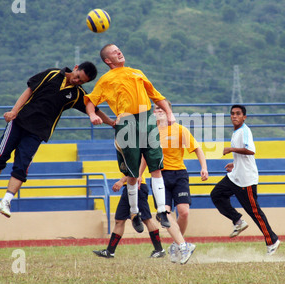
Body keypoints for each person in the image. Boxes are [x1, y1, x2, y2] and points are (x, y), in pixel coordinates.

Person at [0, 62, 114, 217]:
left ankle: (6, 201)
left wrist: (112, 123)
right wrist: (14, 111)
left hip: (38, 132)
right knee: (0, 156)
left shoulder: (77, 94)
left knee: (22, 166)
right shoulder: (52, 74)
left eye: (81, 82)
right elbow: (28, 91)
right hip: (19, 122)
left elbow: (94, 109)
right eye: (77, 77)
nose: (77, 81)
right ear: (75, 68)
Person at [84, 44, 174, 233]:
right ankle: (134, 213)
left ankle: (161, 211)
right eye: (114, 52)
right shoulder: (106, 79)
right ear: (108, 60)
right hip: (126, 124)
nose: (119, 52)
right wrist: (93, 115)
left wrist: (169, 113)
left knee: (156, 167)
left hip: (147, 119)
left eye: (119, 49)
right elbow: (91, 101)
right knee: (132, 175)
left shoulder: (137, 73)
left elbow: (156, 96)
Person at [210, 104, 280, 255]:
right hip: (235, 176)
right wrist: (235, 163)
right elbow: (243, 156)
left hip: (246, 180)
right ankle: (238, 221)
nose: (234, 116)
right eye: (232, 114)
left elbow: (250, 150)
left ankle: (272, 240)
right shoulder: (236, 132)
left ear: (244, 117)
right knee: (216, 195)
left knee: (254, 212)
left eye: (238, 114)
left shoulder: (245, 131)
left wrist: (230, 149)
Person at [153, 100, 208, 263]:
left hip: (179, 174)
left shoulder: (180, 130)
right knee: (166, 213)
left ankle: (177, 244)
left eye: (163, 108)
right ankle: (183, 245)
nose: (160, 110)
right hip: (160, 177)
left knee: (184, 212)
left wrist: (204, 167)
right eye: (157, 108)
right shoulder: (151, 132)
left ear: (169, 111)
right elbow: (143, 157)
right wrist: (139, 175)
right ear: (154, 113)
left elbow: (197, 148)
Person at [93, 171, 165, 259]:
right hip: (129, 188)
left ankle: (159, 249)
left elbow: (135, 170)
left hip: (137, 187)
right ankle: (110, 251)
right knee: (119, 220)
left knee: (146, 219)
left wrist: (121, 181)